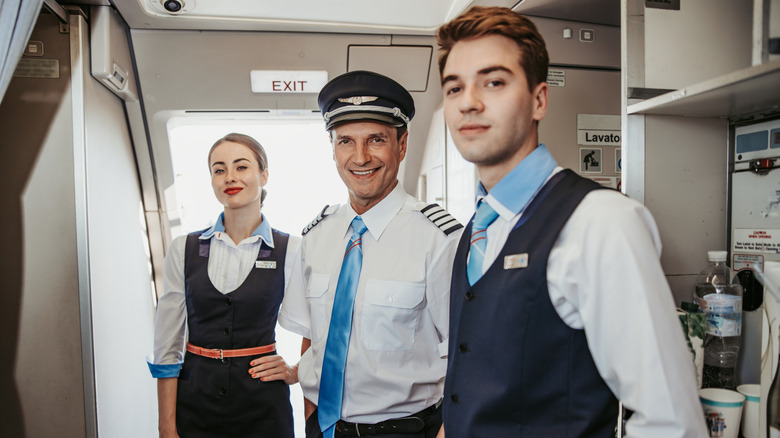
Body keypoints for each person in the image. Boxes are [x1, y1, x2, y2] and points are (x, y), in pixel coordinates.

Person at [434, 7, 708, 437]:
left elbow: (671, 422)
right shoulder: (478, 227)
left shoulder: (600, 221)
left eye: (494, 82)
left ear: (539, 100)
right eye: (454, 88)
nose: (468, 101)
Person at [278, 70, 463, 438]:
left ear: (402, 145)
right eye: (346, 141)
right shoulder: (315, 236)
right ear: (332, 149)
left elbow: (468, 353)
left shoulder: (440, 240)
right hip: (324, 428)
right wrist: (313, 416)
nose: (360, 157)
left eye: (376, 140)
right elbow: (313, 339)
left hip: (405, 431)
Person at [147, 133, 300, 437]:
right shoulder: (183, 249)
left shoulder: (292, 249)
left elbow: (318, 326)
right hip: (196, 404)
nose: (230, 177)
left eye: (241, 167)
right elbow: (168, 345)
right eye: (219, 170)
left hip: (264, 407)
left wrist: (297, 371)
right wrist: (166, 426)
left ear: (264, 175)